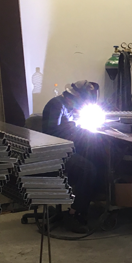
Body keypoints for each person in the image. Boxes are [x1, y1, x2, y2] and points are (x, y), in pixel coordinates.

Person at [42, 80, 102, 232]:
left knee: (98, 160)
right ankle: (74, 213)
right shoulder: (56, 105)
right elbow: (51, 134)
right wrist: (75, 128)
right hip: (55, 152)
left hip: (67, 149)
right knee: (88, 169)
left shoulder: (68, 106)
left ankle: (86, 206)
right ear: (74, 97)